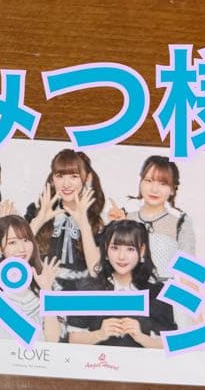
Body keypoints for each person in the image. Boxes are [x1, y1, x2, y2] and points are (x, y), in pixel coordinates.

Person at [107, 155, 196, 329]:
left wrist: (200, 321)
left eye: (163, 183)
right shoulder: (124, 217)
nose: (154, 189)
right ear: (140, 182)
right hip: (128, 295)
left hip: (164, 300)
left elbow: (188, 275)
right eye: (148, 180)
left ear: (173, 189)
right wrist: (114, 226)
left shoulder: (180, 223)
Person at [66, 220, 177, 348]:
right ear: (106, 248)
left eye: (130, 249)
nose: (121, 256)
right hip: (98, 360)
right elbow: (73, 339)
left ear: (142, 251)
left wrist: (142, 337)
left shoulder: (157, 292)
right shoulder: (88, 288)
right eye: (115, 248)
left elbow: (170, 344)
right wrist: (99, 334)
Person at [23, 149, 106, 288]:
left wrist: (83, 223)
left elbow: (95, 270)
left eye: (74, 176)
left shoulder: (98, 222)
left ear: (87, 178)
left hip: (80, 295)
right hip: (39, 290)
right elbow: (16, 257)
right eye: (60, 176)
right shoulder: (36, 213)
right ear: (53, 179)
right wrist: (39, 219)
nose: (66, 184)